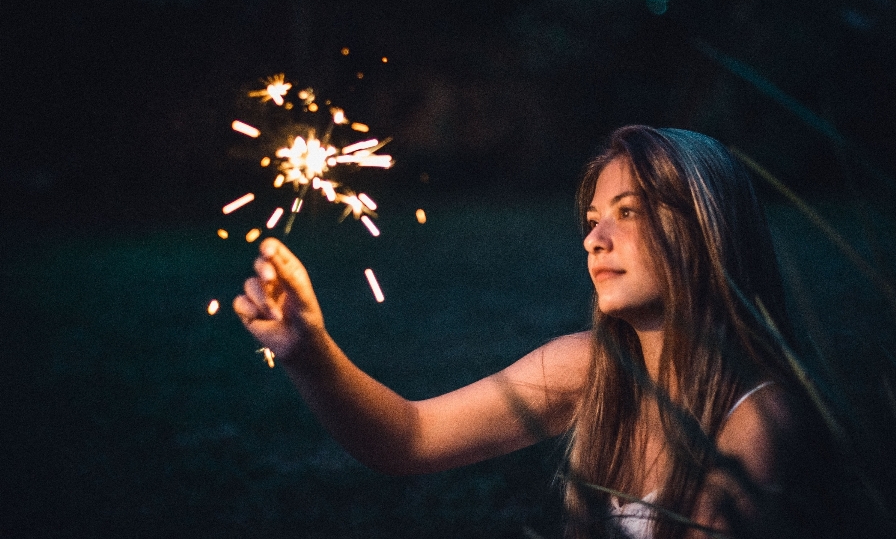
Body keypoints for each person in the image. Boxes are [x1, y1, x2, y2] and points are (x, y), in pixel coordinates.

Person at [234, 125, 819, 538]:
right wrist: (309, 351)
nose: (594, 239)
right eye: (593, 220)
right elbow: (408, 439)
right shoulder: (593, 368)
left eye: (629, 211)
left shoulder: (760, 421)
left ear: (704, 230)